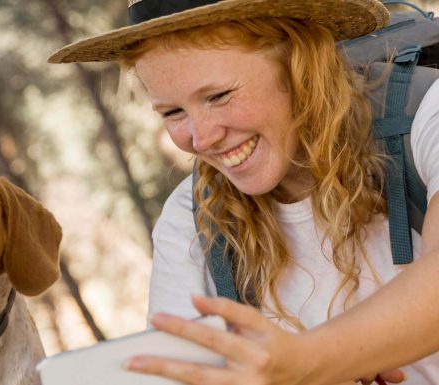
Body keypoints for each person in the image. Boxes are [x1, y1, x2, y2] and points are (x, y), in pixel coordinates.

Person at [49, 0, 439, 384]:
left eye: (218, 96)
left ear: (299, 62)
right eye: (172, 113)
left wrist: (309, 361)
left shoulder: (427, 113)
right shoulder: (191, 217)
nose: (201, 139)